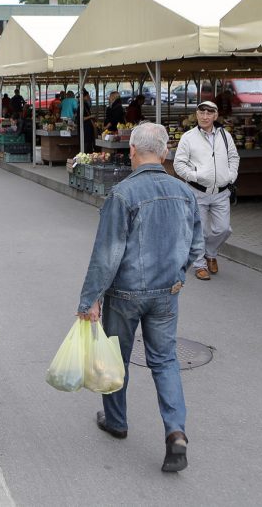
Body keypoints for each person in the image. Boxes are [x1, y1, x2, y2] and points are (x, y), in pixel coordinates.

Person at [76, 122, 203, 473]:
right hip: (167, 293)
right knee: (164, 361)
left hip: (126, 293)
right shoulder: (185, 192)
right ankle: (176, 432)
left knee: (116, 358)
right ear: (165, 153)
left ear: (131, 150)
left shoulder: (122, 194)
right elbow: (197, 246)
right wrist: (178, 275)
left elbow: (107, 255)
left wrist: (90, 299)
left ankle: (117, 422)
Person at [173, 100, 239, 281]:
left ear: (215, 116)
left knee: (224, 229)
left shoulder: (225, 135)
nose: (205, 116)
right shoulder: (188, 137)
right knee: (199, 231)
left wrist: (231, 175)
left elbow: (234, 157)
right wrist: (194, 175)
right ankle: (200, 264)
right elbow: (178, 163)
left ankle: (210, 252)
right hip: (197, 191)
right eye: (201, 112)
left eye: (209, 113)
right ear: (196, 115)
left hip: (221, 192)